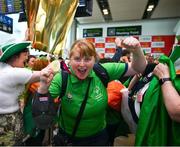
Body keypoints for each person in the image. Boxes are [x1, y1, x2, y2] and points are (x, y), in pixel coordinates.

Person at [35, 36, 147, 145]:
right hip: (69, 139)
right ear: (70, 59)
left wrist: (137, 50)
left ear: (94, 60)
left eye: (87, 59)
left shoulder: (102, 71)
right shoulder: (62, 78)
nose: (82, 64)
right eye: (77, 59)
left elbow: (139, 68)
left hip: (98, 139)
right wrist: (43, 87)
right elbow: (41, 117)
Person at [0, 42, 53, 146]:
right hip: (8, 122)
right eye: (25, 55)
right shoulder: (13, 73)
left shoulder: (3, 68)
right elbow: (44, 73)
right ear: (15, 57)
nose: (27, 57)